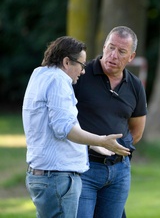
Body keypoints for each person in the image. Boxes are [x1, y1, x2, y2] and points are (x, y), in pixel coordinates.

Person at [23, 36, 131, 218]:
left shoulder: (39, 74)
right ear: (66, 62)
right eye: (81, 65)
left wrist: (90, 144)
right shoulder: (59, 81)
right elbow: (64, 129)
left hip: (43, 176)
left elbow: (57, 125)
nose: (82, 72)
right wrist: (103, 141)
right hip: (58, 178)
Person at [74, 26, 147, 218]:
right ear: (104, 46)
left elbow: (137, 131)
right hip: (84, 167)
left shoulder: (135, 85)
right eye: (111, 48)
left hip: (119, 172)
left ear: (131, 57)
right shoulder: (81, 75)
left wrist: (117, 150)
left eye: (121, 51)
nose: (113, 55)